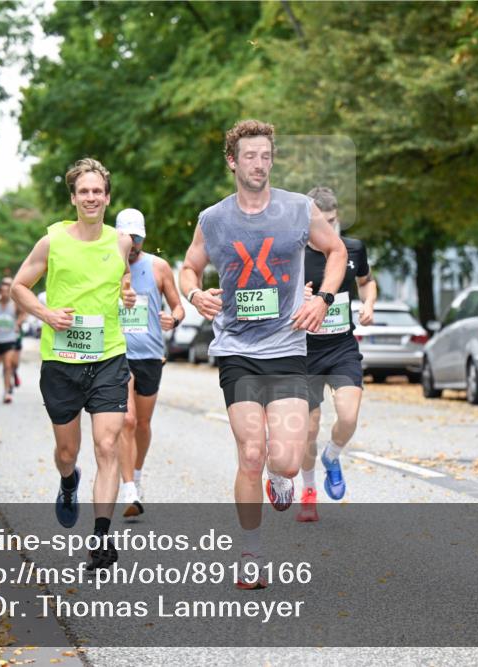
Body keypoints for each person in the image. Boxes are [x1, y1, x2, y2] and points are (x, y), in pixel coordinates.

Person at [179, 120, 346, 588]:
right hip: (237, 350)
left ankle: (283, 478)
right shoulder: (214, 219)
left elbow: (335, 252)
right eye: (250, 156)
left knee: (287, 460)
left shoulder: (298, 209)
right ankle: (251, 553)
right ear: (233, 161)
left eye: (266, 156)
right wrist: (195, 296)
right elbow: (189, 268)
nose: (259, 164)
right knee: (251, 453)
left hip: (289, 349)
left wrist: (323, 299)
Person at [11, 157, 137, 570]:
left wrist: (127, 296)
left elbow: (120, 283)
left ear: (107, 197)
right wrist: (46, 314)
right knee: (68, 451)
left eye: (97, 191)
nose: (91, 197)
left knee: (107, 445)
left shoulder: (121, 242)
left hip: (108, 356)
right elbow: (19, 286)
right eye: (84, 191)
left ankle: (101, 540)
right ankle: (68, 482)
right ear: (73, 197)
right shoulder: (53, 241)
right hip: (61, 360)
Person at [295, 186, 377, 522]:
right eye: (320, 222)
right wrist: (297, 296)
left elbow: (367, 281)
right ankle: (310, 490)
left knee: (348, 415)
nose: (327, 229)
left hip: (342, 347)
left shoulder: (352, 249)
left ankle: (332, 456)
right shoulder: (294, 253)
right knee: (309, 429)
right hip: (304, 351)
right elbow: (276, 296)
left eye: (332, 221)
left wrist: (369, 303)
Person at [114, 208, 185, 518]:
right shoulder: (105, 267)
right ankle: (128, 488)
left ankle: (137, 475)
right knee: (126, 421)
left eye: (138, 239)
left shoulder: (159, 267)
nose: (133, 245)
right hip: (116, 355)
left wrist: (174, 319)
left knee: (142, 423)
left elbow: (178, 306)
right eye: (128, 239)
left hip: (151, 356)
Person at [0, 277, 21, 404]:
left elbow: (24, 313)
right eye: (3, 291)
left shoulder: (15, 303)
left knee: (7, 365)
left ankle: (6, 392)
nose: (5, 294)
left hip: (10, 338)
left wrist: (18, 323)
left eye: (7, 291)